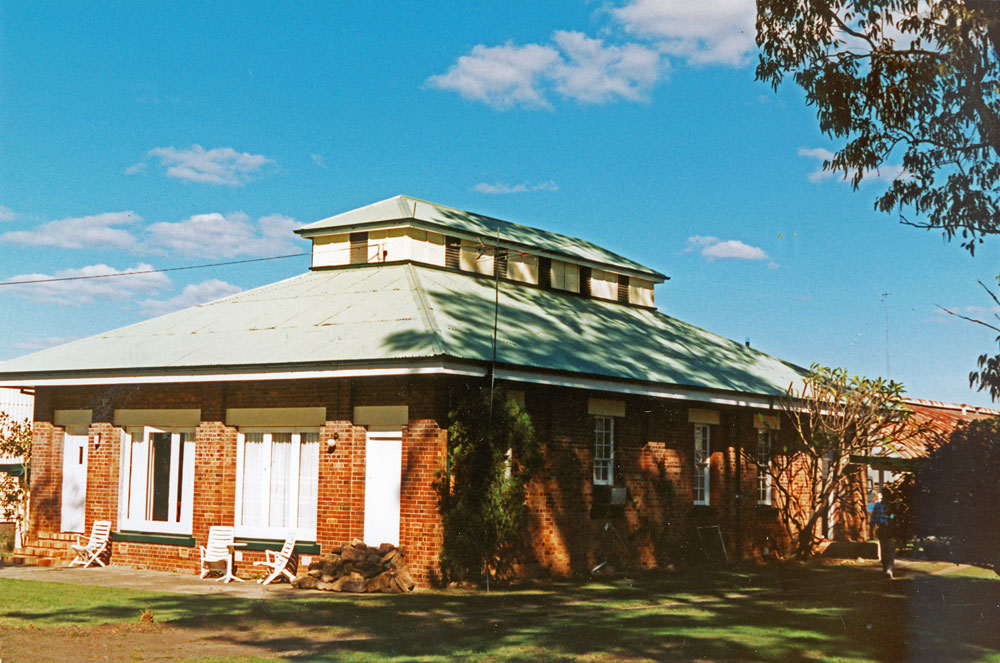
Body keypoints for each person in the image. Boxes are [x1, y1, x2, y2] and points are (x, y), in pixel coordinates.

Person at [871, 493, 895, 578]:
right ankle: (888, 569)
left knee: (885, 549)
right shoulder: (892, 505)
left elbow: (873, 520)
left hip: (883, 529)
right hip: (888, 529)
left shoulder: (878, 505)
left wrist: (872, 530)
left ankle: (886, 569)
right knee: (889, 550)